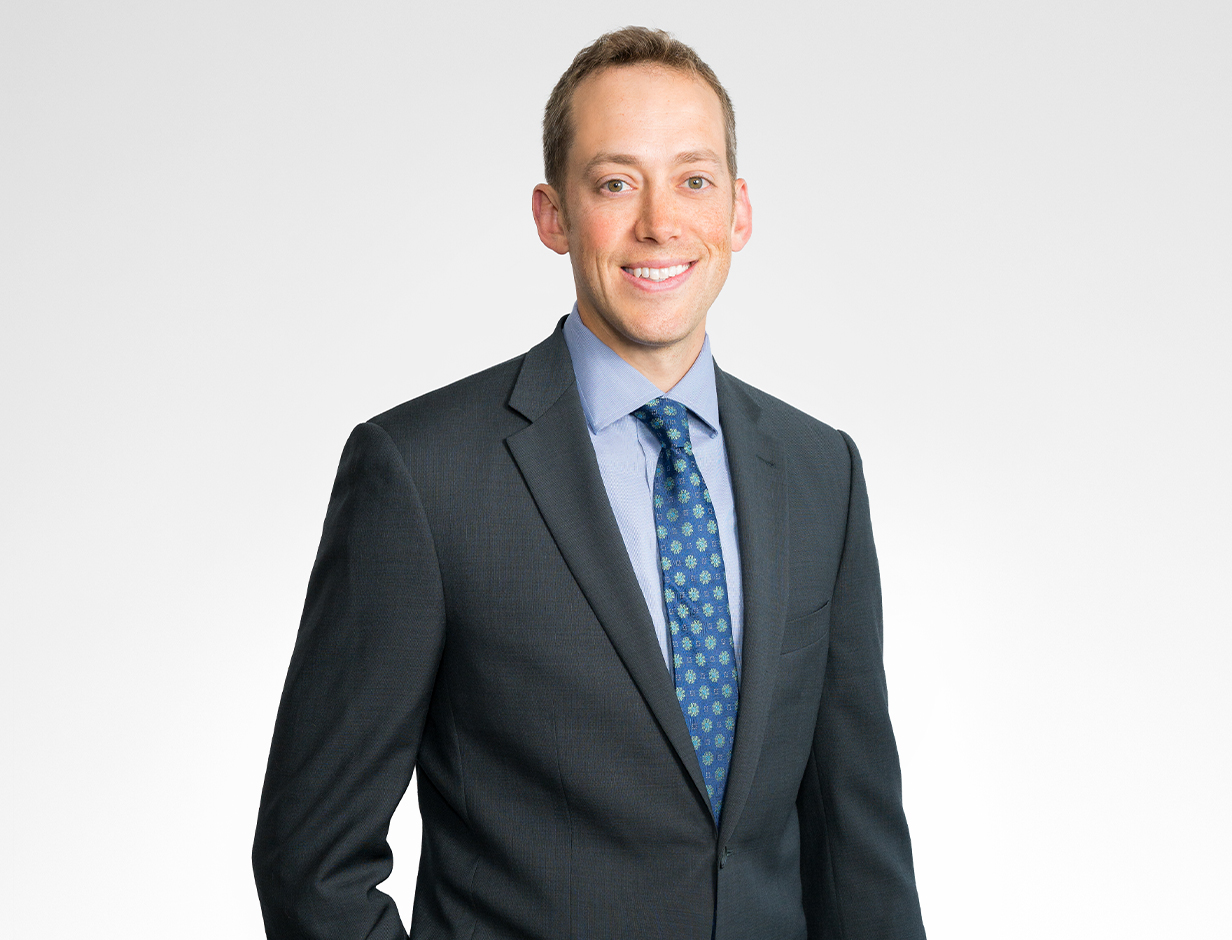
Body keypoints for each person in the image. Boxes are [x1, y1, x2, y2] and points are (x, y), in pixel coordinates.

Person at [253, 26, 926, 940]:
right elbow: (311, 862)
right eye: (615, 183)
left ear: (739, 212)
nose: (660, 223)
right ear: (553, 216)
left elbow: (860, 849)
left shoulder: (820, 473)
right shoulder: (421, 475)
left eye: (694, 180)